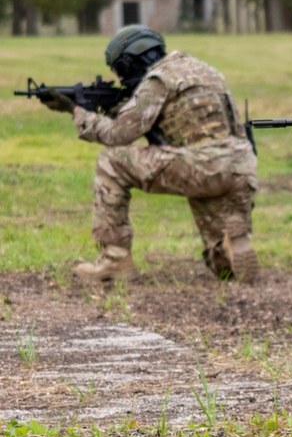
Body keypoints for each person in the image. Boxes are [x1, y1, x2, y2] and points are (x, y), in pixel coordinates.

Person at [39, 25, 258, 283]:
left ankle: (115, 259)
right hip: (240, 166)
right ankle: (232, 245)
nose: (121, 79)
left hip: (202, 165)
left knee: (111, 161)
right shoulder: (206, 71)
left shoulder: (159, 79)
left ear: (134, 59)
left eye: (121, 70)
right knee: (221, 267)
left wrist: (77, 112)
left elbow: (119, 135)